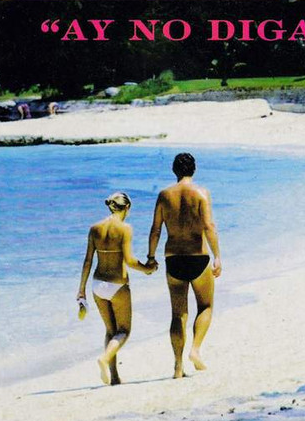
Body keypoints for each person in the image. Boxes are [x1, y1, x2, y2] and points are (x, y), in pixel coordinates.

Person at [147, 153, 222, 379]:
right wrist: (217, 256)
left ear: (174, 170)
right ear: (194, 169)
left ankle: (178, 367)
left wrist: (151, 256)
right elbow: (208, 226)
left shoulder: (164, 195)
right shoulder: (201, 193)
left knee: (178, 314)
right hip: (198, 257)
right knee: (205, 306)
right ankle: (195, 350)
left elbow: (156, 229)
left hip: (173, 259)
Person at [77, 192, 156, 385]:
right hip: (117, 285)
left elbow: (87, 261)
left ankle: (114, 377)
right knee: (124, 331)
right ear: (127, 207)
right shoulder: (125, 229)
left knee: (110, 331)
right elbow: (129, 260)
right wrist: (147, 269)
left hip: (97, 285)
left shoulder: (94, 228)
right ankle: (104, 359)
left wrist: (81, 290)